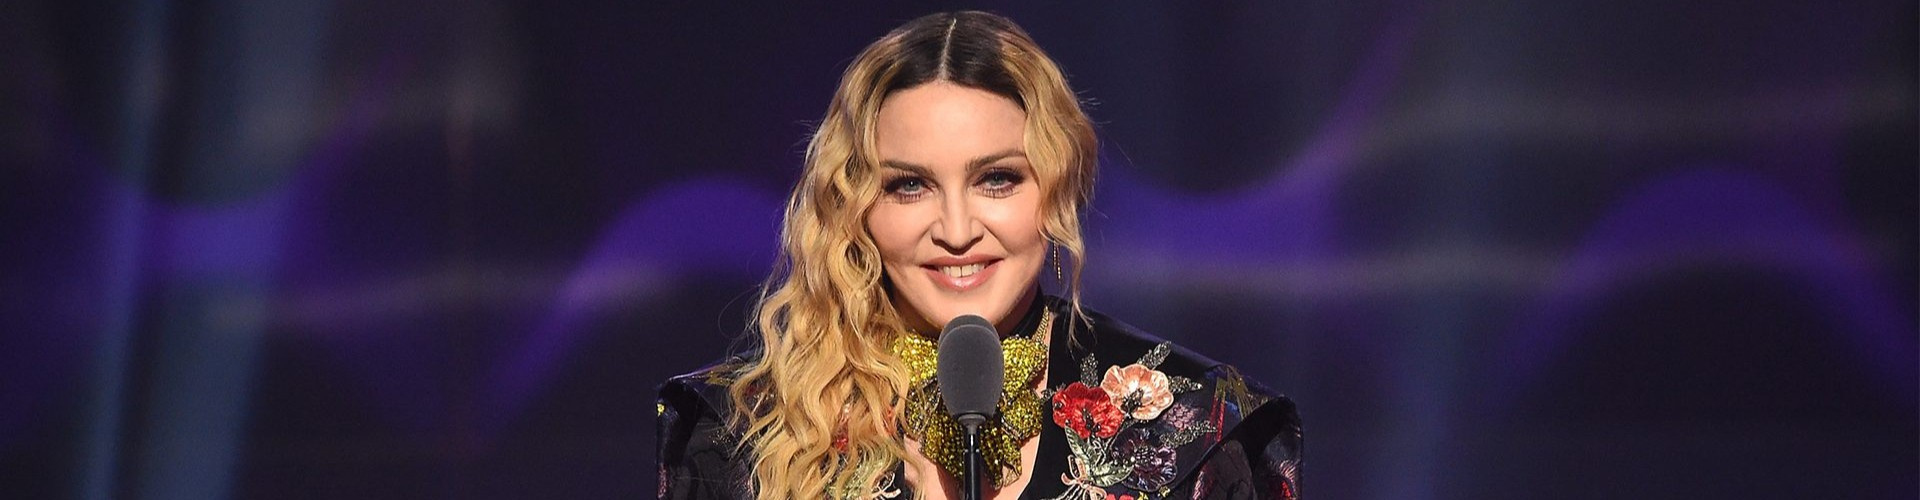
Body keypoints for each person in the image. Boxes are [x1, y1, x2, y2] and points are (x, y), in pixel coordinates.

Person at [656, 11, 1301, 500]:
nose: (958, 230)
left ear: (1057, 187)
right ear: (854, 206)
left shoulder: (1195, 428)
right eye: (910, 185)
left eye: (997, 179)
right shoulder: (742, 431)